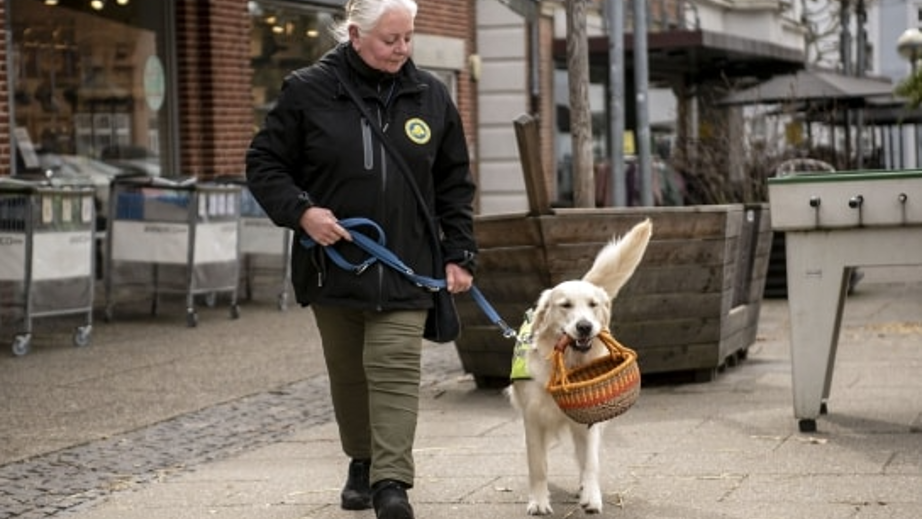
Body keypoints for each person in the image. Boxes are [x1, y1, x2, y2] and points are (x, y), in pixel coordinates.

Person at [244, 1, 477, 518]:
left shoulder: (430, 95)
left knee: (393, 367)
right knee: (349, 374)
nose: (402, 49)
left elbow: (454, 183)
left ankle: (392, 483)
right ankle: (362, 461)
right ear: (354, 34)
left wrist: (459, 254)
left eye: (408, 38)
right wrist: (303, 213)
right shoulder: (308, 90)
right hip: (334, 264)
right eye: (390, 40)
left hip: (408, 265)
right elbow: (264, 164)